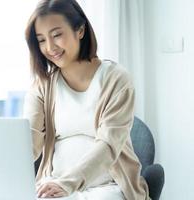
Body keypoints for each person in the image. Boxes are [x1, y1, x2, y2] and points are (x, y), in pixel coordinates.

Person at [23, 0, 150, 199]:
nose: (50, 47)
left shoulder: (116, 79)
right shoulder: (42, 86)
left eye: (57, 35)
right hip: (54, 184)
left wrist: (68, 184)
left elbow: (108, 146)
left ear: (80, 30)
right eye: (41, 40)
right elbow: (27, 143)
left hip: (109, 186)